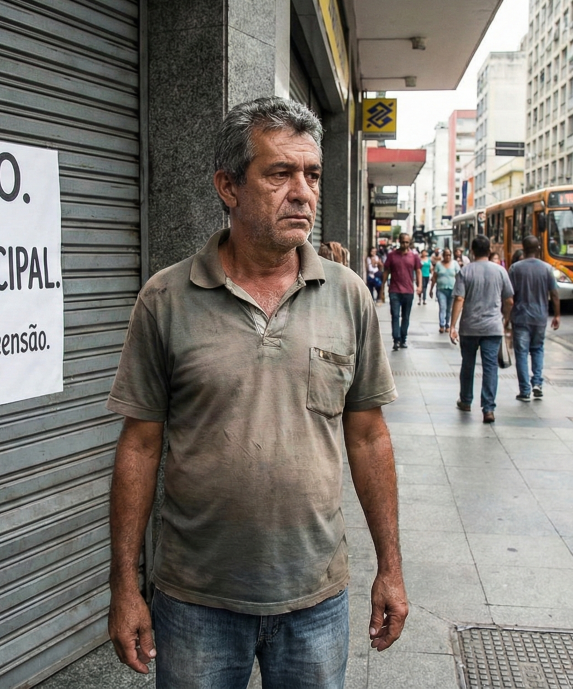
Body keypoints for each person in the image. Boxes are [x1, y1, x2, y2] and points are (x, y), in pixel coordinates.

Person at [105, 97, 408, 687]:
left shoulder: (347, 296)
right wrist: (123, 586)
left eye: (312, 175)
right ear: (228, 186)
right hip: (194, 600)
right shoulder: (166, 299)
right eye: (279, 174)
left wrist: (390, 568)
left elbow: (369, 436)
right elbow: (139, 446)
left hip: (315, 598)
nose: (303, 193)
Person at [450, 235, 513, 423]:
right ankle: (488, 409)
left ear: (472, 250)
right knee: (490, 367)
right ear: (489, 250)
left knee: (467, 364)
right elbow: (509, 300)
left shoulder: (465, 271)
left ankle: (466, 400)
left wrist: (452, 325)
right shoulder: (500, 271)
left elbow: (459, 299)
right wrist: (505, 319)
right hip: (493, 327)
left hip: (469, 327)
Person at [508, 236, 561, 401]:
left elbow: (509, 296)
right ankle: (537, 383)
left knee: (522, 353)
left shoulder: (515, 268)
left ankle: (524, 390)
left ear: (523, 248)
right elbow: (554, 293)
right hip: (540, 316)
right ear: (538, 248)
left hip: (521, 316)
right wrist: (557, 314)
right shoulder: (547, 268)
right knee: (537, 349)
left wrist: (506, 318)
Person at [383, 233, 421, 350]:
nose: (405, 244)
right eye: (403, 242)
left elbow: (418, 271)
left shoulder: (414, 256)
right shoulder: (392, 256)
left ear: (410, 243)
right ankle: (396, 339)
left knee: (406, 316)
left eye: (407, 242)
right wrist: (382, 288)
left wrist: (420, 286)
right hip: (394, 291)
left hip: (408, 291)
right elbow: (386, 271)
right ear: (399, 241)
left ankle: (403, 338)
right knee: (395, 315)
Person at [431, 249, 460, 333]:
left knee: (449, 308)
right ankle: (442, 325)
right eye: (446, 255)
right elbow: (434, 277)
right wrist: (431, 289)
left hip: (452, 290)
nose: (448, 257)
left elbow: (459, 277)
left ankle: (447, 324)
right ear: (443, 255)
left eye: (449, 255)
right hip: (441, 290)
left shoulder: (455, 264)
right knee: (442, 307)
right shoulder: (439, 265)